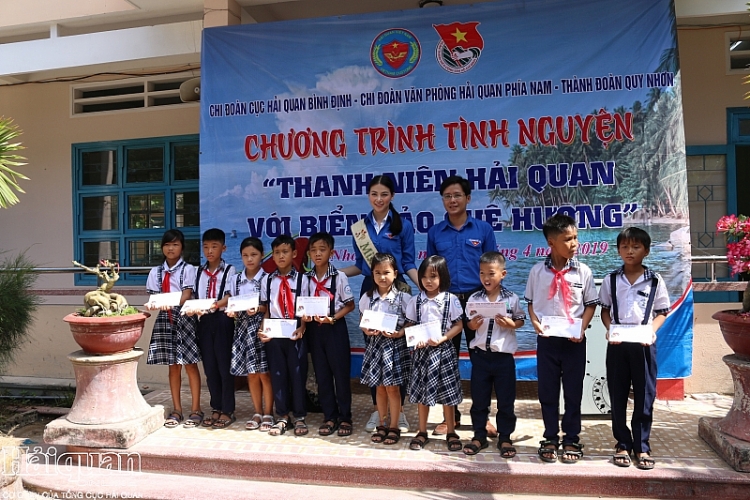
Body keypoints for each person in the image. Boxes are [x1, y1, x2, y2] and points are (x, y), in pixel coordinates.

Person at [341, 175, 417, 433]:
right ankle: (378, 410)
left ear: (392, 196)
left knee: (398, 352)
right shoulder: (360, 228)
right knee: (374, 349)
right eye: (374, 194)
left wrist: (429, 289)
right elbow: (362, 267)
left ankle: (401, 412)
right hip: (370, 288)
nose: (379, 199)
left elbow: (407, 263)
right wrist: (335, 273)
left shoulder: (403, 225)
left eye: (384, 194)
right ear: (368, 196)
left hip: (399, 289)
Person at [426, 175, 497, 435]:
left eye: (457, 195)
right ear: (442, 200)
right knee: (448, 361)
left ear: (468, 198)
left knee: (483, 362)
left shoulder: (483, 230)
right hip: (447, 304)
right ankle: (450, 417)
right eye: (447, 196)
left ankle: (482, 417)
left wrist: (492, 301)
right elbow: (431, 273)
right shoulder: (435, 232)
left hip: (478, 302)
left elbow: (493, 268)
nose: (452, 200)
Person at [524, 213, 598, 464]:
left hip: (574, 342)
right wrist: (534, 322)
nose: (574, 243)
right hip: (547, 342)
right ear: (552, 242)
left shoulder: (583, 272)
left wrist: (582, 328)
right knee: (547, 391)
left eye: (576, 237)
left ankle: (572, 438)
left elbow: (590, 305)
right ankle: (550, 436)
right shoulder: (537, 272)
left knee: (573, 392)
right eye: (568, 239)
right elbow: (531, 303)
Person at [598, 227, 670, 470]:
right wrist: (610, 330)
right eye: (625, 247)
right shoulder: (610, 279)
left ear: (646, 251)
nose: (630, 251)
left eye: (636, 247)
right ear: (618, 250)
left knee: (644, 394)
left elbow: (662, 312)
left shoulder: (655, 280)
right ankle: (622, 443)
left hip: (643, 345)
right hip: (618, 345)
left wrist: (652, 331)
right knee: (617, 395)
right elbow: (605, 310)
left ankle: (642, 445)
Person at [463, 251, 525, 457]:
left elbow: (520, 320)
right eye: (482, 274)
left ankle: (505, 437)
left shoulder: (511, 299)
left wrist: (511, 324)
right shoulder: (474, 298)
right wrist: (472, 324)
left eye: (491, 273)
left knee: (506, 400)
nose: (486, 278)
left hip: (503, 358)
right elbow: (469, 323)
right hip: (480, 357)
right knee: (479, 400)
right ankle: (479, 435)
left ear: (503, 274)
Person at [405, 256, 464, 452]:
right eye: (424, 276)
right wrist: (415, 338)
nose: (428, 281)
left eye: (434, 276)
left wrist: (444, 338)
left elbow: (459, 324)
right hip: (422, 353)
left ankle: (451, 431)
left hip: (444, 351)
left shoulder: (451, 300)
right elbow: (410, 325)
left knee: (448, 393)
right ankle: (422, 431)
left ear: (443, 278)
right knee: (422, 393)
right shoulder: (416, 301)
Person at [145, 229, 201, 428]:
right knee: (173, 365)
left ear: (182, 247)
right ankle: (177, 410)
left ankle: (196, 409)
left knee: (191, 364)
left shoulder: (188, 269)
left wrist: (169, 302)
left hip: (185, 318)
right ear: (162, 247)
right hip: (165, 319)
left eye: (175, 244)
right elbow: (154, 297)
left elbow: (186, 294)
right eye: (168, 244)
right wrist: (154, 304)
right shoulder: (155, 272)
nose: (171, 248)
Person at [302, 232, 356, 437]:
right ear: (308, 254)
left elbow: (350, 304)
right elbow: (303, 305)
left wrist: (333, 318)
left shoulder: (339, 276)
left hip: (334, 329)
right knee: (321, 374)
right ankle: (329, 415)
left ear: (331, 253)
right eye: (313, 250)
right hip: (315, 331)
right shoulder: (306, 279)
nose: (317, 254)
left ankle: (345, 416)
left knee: (340, 374)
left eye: (322, 250)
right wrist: (305, 317)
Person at [184, 228, 236, 429]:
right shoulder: (198, 271)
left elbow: (230, 295)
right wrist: (191, 308)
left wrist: (214, 305)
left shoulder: (230, 270)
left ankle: (228, 409)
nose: (209, 251)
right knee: (210, 367)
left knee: (224, 366)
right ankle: (216, 406)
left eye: (214, 246)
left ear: (223, 248)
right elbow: (193, 297)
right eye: (206, 247)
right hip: (204, 322)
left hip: (222, 320)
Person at [359, 253, 411, 446]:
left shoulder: (403, 298)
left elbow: (411, 322)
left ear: (395, 273)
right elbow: (362, 320)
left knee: (393, 389)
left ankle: (394, 425)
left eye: (386, 272)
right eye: (377, 272)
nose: (382, 277)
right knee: (379, 387)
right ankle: (381, 424)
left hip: (395, 347)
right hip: (375, 346)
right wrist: (366, 328)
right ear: (372, 274)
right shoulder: (367, 297)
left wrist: (400, 333)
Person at [259, 235, 308, 436]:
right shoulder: (268, 280)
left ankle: (299, 417)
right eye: (277, 252)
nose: (281, 256)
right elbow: (267, 310)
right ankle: (282, 416)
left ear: (294, 254)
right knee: (278, 376)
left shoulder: (303, 279)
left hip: (296, 332)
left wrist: (303, 327)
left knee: (297, 375)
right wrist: (263, 330)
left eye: (285, 252)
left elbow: (305, 307)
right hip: (275, 332)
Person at [225, 237, 273, 432]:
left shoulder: (267, 278)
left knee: (265, 374)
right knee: (251, 374)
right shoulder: (236, 279)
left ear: (262, 255)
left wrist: (260, 312)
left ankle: (269, 412)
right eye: (245, 255)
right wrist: (232, 311)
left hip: (261, 328)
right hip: (243, 329)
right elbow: (233, 303)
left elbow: (270, 306)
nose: (249, 259)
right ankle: (257, 412)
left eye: (253, 255)